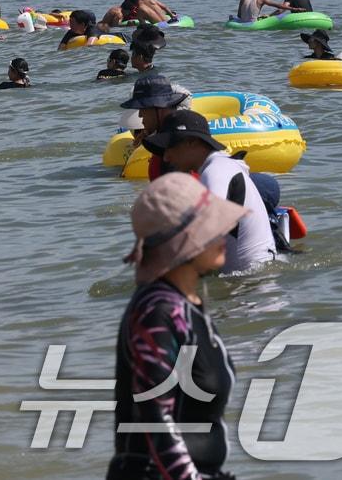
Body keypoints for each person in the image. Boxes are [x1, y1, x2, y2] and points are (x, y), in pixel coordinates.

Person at [110, 172, 245, 480]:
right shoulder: (158, 312)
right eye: (210, 227)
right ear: (183, 243)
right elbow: (155, 417)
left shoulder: (187, 305)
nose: (224, 231)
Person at [143, 110, 277, 274]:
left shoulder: (216, 171)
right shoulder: (221, 166)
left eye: (169, 147)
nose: (166, 157)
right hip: (253, 278)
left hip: (253, 286)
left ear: (191, 142)